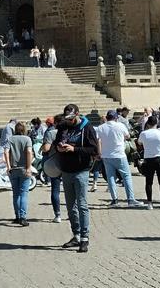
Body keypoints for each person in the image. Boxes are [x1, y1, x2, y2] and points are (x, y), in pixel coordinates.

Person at [54, 104, 97, 253]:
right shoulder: (62, 127)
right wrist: (59, 147)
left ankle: (85, 238)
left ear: (78, 114)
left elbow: (94, 149)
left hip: (81, 170)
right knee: (70, 206)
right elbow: (55, 142)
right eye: (67, 118)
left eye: (72, 118)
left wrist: (74, 149)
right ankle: (76, 235)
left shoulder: (87, 128)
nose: (69, 121)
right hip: (66, 170)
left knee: (82, 205)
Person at [96, 110, 142, 207]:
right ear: (116, 118)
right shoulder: (120, 125)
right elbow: (127, 136)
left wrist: (99, 153)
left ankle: (114, 200)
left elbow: (98, 141)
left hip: (106, 156)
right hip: (119, 154)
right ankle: (130, 199)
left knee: (111, 178)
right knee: (126, 177)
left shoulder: (100, 128)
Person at [137, 115, 160, 210]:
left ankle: (149, 203)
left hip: (148, 159)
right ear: (156, 123)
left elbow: (139, 143)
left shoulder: (144, 133)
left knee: (148, 182)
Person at [4, 121, 33, 227]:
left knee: (15, 194)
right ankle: (23, 217)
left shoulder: (10, 139)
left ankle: (17, 216)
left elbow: (6, 152)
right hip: (24, 168)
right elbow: (29, 152)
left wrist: (8, 166)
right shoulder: (27, 139)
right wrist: (29, 167)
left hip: (13, 169)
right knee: (24, 193)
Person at [41, 115, 63, 222]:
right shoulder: (70, 132)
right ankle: (74, 212)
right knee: (71, 191)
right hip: (69, 163)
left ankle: (57, 214)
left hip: (55, 163)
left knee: (55, 190)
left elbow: (46, 148)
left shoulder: (51, 133)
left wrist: (42, 147)